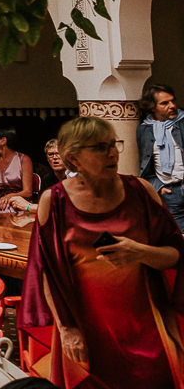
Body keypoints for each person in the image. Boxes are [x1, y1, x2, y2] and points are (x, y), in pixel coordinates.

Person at [20, 116, 184, 388]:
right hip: (86, 329)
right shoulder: (55, 201)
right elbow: (46, 272)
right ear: (73, 159)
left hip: (145, 326)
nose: (111, 154)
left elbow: (177, 255)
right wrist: (67, 330)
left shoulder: (140, 192)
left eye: (113, 145)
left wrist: (140, 252)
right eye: (98, 147)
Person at [138, 82, 184, 231]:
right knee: (179, 237)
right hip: (170, 193)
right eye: (165, 103)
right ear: (153, 107)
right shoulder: (144, 129)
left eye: (172, 101)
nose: (172, 105)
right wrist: (158, 187)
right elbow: (145, 164)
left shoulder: (182, 123)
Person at [0, 124, 34, 209]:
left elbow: (28, 192)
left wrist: (10, 196)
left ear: (3, 140)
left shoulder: (23, 159)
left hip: (16, 205)